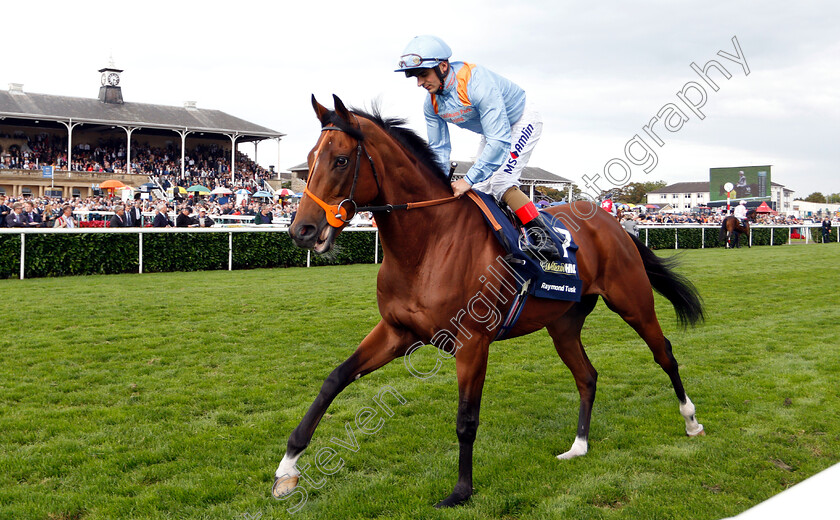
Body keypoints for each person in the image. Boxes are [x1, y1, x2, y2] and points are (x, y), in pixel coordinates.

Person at [395, 35, 562, 261]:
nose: (419, 83)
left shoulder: (476, 82)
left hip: (521, 121)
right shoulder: (431, 103)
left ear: (443, 66)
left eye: (423, 74)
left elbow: (500, 141)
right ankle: (505, 243)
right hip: (492, 132)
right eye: (415, 77)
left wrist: (467, 179)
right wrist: (439, 184)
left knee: (502, 182)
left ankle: (545, 238)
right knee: (481, 189)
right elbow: (439, 150)